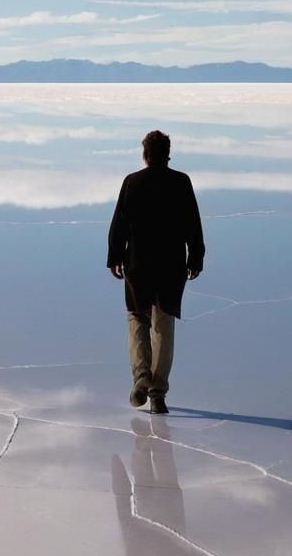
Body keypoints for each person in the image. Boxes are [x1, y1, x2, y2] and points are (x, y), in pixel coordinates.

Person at [107, 130, 205, 415]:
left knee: (137, 318)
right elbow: (193, 224)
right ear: (168, 153)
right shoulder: (181, 182)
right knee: (162, 325)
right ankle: (158, 393)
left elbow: (119, 224)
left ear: (145, 155)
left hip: (137, 263)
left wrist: (115, 256)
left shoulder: (132, 182)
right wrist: (195, 258)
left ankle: (141, 376)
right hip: (171, 265)